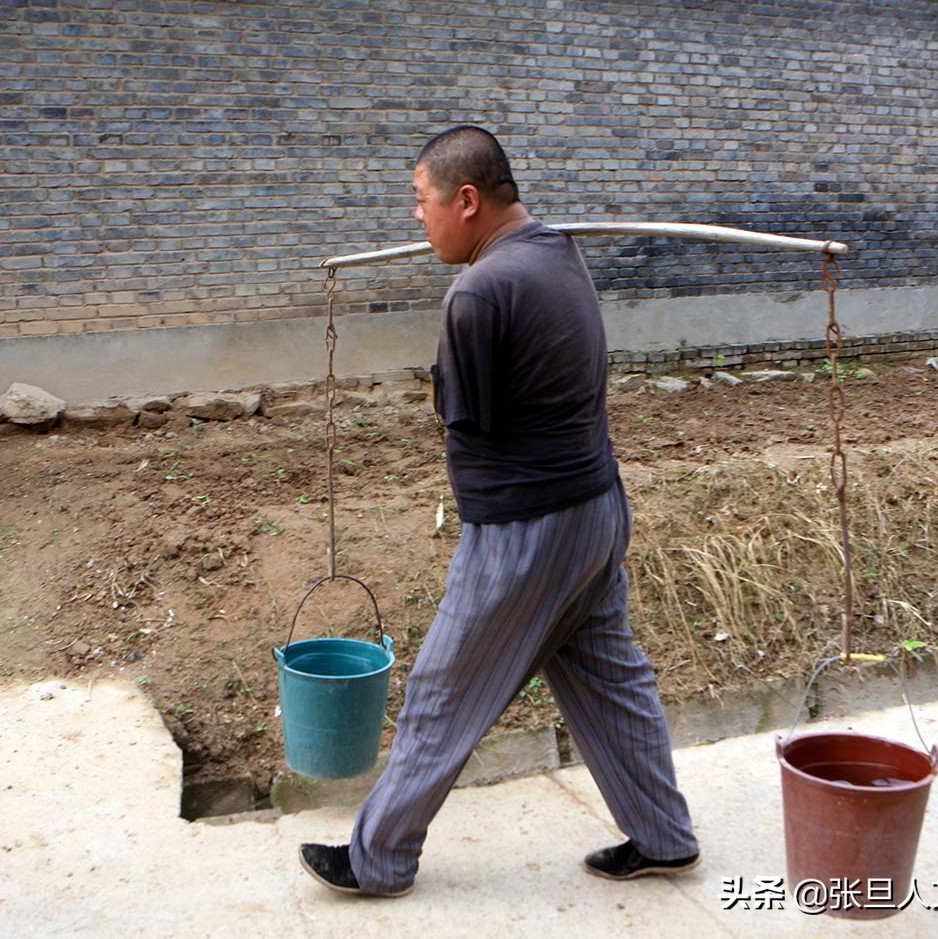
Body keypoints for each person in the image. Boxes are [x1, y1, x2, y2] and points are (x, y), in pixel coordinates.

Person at [299, 125, 699, 897]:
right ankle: (664, 835)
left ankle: (377, 859)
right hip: (595, 509)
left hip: (527, 529)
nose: (418, 219)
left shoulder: (479, 291)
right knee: (609, 677)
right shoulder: (557, 252)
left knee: (444, 691)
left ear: (468, 200)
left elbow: (467, 419)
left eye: (422, 201)